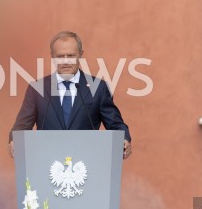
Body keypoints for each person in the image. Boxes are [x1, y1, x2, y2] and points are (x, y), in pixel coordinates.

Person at [8, 31, 132, 159]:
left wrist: (124, 139)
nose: (66, 61)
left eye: (71, 55)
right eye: (60, 56)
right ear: (52, 56)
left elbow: (115, 124)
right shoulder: (37, 88)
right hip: (46, 161)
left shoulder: (98, 87)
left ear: (80, 55)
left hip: (86, 162)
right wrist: (14, 140)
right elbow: (22, 126)